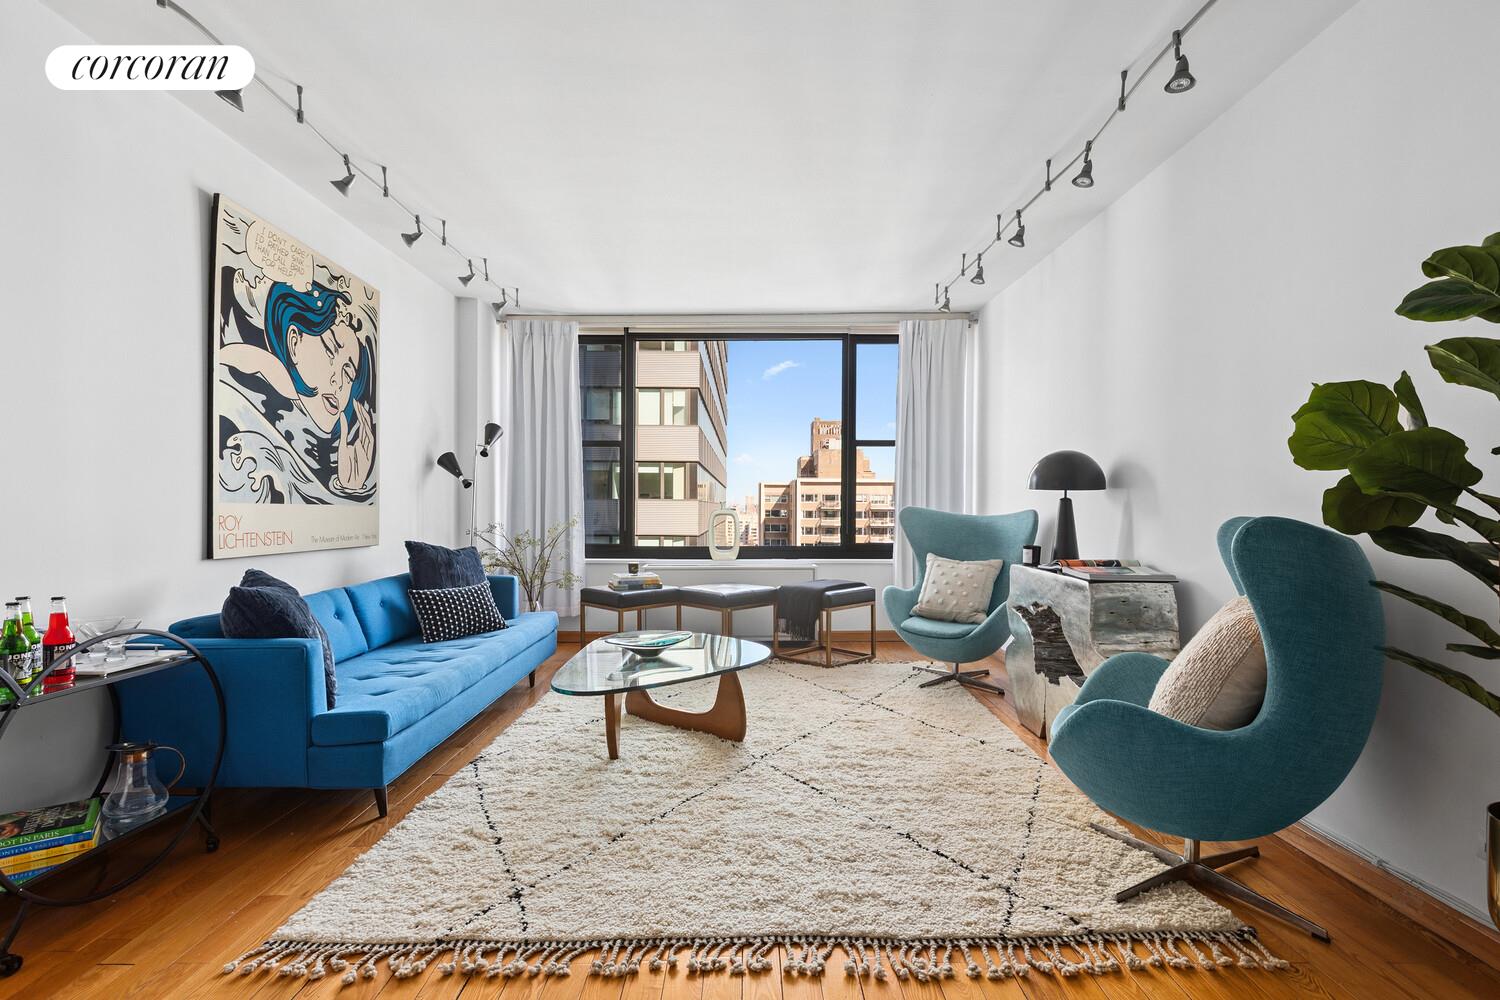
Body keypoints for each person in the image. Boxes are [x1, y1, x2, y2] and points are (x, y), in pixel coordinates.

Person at [220, 278, 375, 495]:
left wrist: (351, 486)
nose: (338, 383)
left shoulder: (329, 450)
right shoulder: (247, 399)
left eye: (348, 373)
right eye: (330, 351)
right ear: (294, 343)